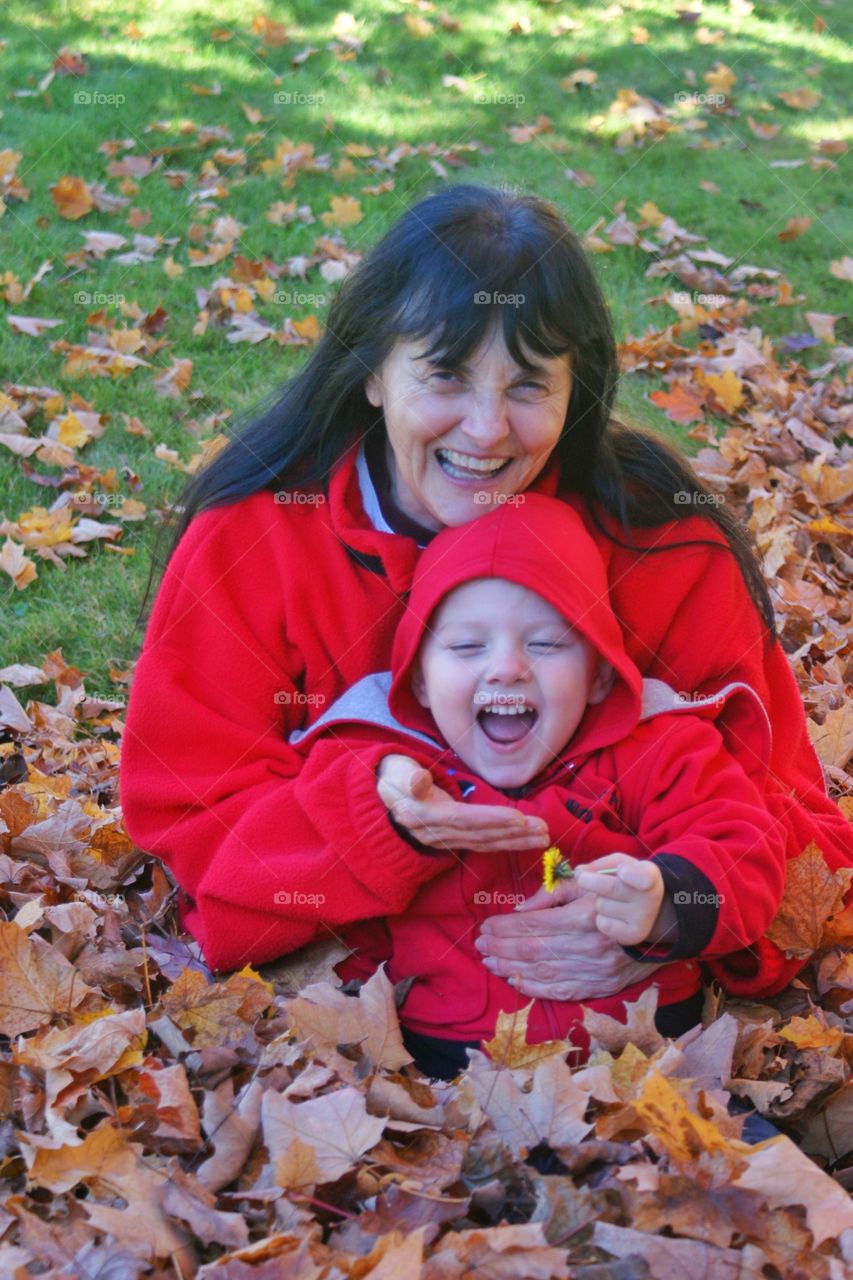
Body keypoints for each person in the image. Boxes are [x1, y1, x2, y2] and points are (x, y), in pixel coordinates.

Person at [120, 183, 853, 1012]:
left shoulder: (664, 546)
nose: (485, 430)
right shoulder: (256, 539)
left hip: (649, 1054)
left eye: (528, 385)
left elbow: (799, 839)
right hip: (365, 1058)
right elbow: (191, 820)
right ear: (370, 374)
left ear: (577, 389)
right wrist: (373, 830)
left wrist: (661, 920)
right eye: (444, 375)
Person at [284, 495, 788, 1078]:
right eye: (468, 646)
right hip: (449, 1076)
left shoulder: (662, 749)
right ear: (419, 679)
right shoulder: (395, 775)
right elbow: (321, 899)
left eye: (546, 644)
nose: (506, 668)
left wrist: (670, 902)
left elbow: (748, 856)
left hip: (652, 1071)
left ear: (600, 674)